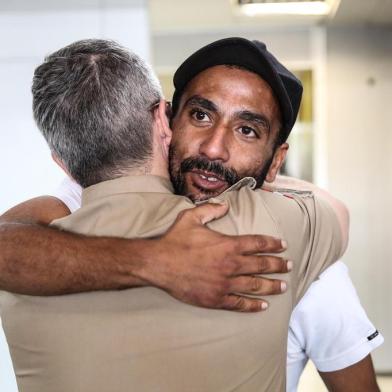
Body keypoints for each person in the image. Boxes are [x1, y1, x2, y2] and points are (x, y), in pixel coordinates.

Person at [0, 37, 382, 390]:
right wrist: (155, 261)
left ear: (275, 161)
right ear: (166, 120)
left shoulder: (311, 266)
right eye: (200, 116)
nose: (214, 149)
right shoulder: (286, 224)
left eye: (247, 130)